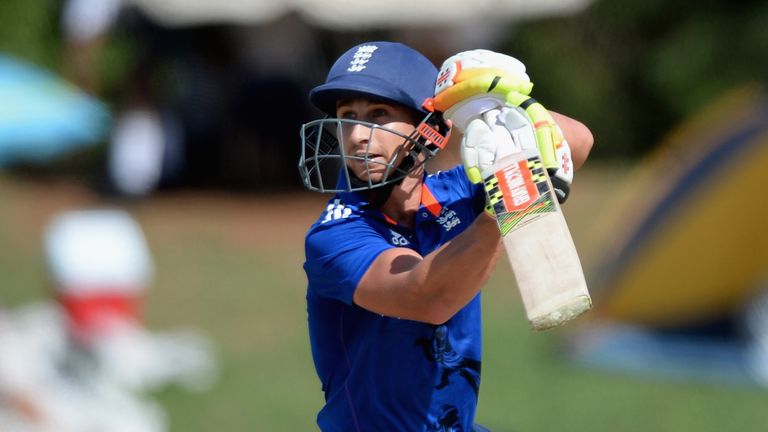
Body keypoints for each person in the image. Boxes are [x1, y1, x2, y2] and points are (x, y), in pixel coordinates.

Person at [299, 41, 593, 431]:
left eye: (379, 114)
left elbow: (578, 140)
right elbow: (428, 296)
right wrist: (503, 207)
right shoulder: (335, 233)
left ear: (430, 128)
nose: (356, 135)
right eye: (348, 116)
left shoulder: (453, 192)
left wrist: (497, 106)